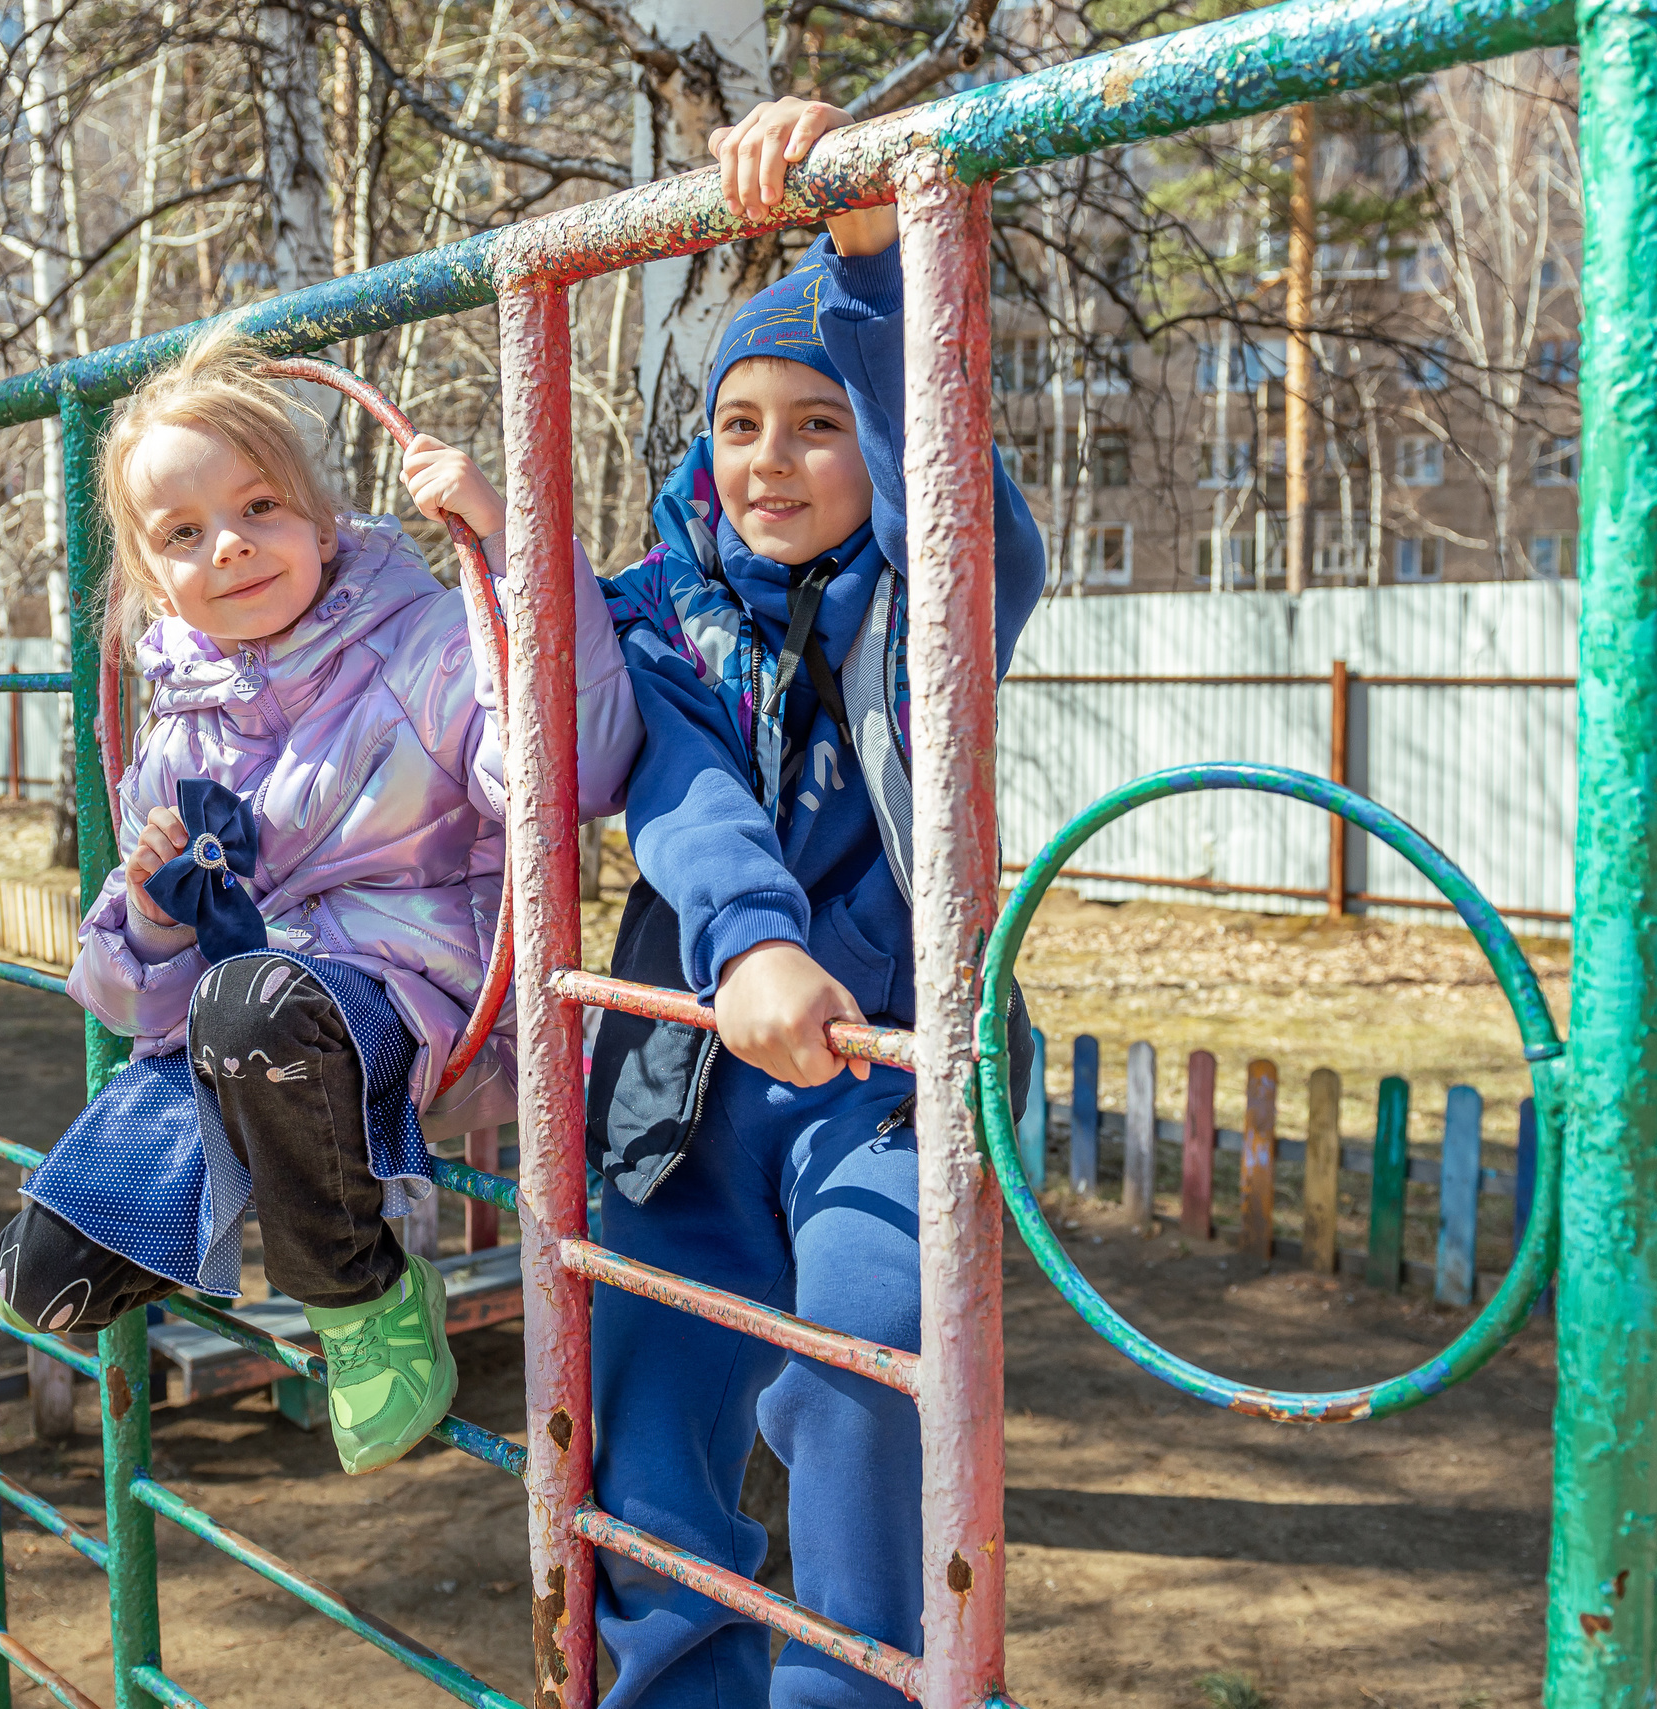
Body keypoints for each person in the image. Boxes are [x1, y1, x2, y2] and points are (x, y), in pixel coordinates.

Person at [0, 325, 639, 1477]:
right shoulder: (179, 715)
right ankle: (251, 1175)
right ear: (151, 577)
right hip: (247, 1025)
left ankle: (359, 1293)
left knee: (247, 1011)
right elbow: (138, 1011)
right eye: (183, 534)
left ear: (322, 517)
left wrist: (509, 549)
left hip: (423, 1000)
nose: (229, 548)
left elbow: (574, 769)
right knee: (40, 1280)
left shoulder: (430, 638)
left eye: (258, 508)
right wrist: (150, 914)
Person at [585, 97, 1048, 1708]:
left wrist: (868, 256)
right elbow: (683, 794)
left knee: (866, 1353)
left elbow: (962, 498)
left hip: (886, 1066)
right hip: (693, 1061)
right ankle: (672, 1690)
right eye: (738, 425)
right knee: (637, 1388)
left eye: (819, 421)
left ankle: (866, 1687)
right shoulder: (660, 610)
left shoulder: (937, 598)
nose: (769, 461)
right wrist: (755, 943)